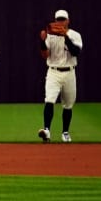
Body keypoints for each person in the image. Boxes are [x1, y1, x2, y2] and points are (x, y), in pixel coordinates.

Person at [37, 9, 83, 142]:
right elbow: (45, 55)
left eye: (63, 19)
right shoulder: (50, 36)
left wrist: (65, 36)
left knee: (68, 104)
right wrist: (42, 41)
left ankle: (65, 132)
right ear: (55, 21)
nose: (61, 22)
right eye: (59, 20)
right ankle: (46, 131)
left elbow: (76, 52)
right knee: (49, 99)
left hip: (69, 72)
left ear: (68, 21)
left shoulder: (75, 35)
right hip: (53, 71)